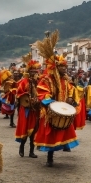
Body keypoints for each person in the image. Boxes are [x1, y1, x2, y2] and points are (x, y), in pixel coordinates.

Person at [33, 31, 80, 167]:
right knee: (51, 134)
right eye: (62, 67)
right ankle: (50, 157)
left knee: (64, 130)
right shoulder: (47, 79)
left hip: (63, 109)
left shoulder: (65, 80)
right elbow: (42, 93)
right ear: (55, 67)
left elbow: (71, 90)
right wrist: (51, 103)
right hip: (50, 111)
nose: (65, 69)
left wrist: (71, 98)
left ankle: (64, 146)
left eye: (65, 67)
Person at [15, 55, 42, 158]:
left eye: (36, 71)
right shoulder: (24, 82)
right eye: (32, 71)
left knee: (34, 129)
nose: (34, 73)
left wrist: (37, 100)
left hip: (35, 109)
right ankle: (21, 148)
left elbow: (42, 93)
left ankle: (31, 151)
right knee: (25, 129)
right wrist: (27, 99)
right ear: (29, 72)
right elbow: (19, 94)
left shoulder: (39, 83)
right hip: (26, 109)